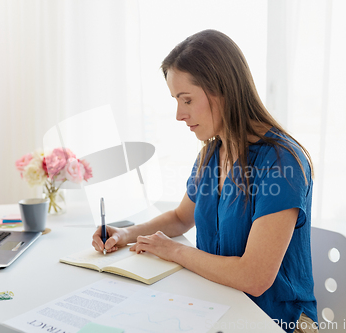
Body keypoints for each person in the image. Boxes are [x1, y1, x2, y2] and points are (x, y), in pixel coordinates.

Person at [92, 29, 318, 333]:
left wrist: (174, 252)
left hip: (274, 322)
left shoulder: (281, 163)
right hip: (218, 308)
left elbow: (255, 277)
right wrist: (126, 233)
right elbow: (180, 217)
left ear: (222, 90)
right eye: (176, 100)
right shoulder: (213, 152)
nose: (178, 114)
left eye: (186, 100)